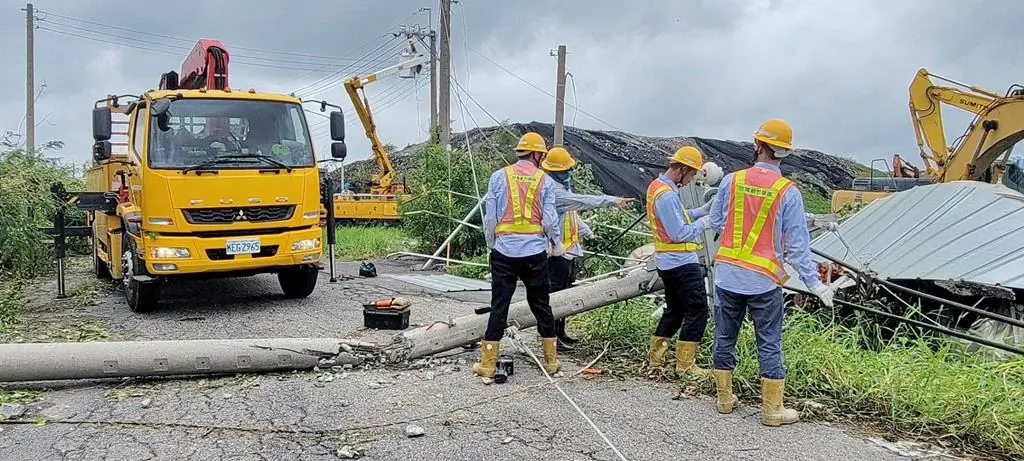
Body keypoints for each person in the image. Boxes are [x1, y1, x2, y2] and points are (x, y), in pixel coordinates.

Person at [706, 118, 835, 426]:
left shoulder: (731, 181)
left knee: (724, 336)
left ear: (758, 145)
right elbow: (797, 248)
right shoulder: (787, 192)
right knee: (769, 341)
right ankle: (772, 412)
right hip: (763, 281)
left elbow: (715, 220)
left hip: (727, 274)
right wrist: (815, 285)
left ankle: (724, 400)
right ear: (784, 154)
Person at [474, 132, 563, 379]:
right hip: (534, 252)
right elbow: (549, 219)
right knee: (541, 305)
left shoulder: (498, 176)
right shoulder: (545, 181)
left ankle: (488, 365)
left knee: (499, 305)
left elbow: (490, 216)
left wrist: (492, 243)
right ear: (537, 154)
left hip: (504, 251)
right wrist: (556, 243)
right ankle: (551, 361)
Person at [540, 146, 633, 351]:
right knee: (556, 296)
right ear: (557, 172)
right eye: (566, 170)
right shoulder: (554, 191)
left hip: (569, 250)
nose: (569, 173)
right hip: (556, 253)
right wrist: (610, 201)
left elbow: (572, 214)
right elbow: (582, 202)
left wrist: (587, 231)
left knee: (566, 294)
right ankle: (552, 338)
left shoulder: (564, 189)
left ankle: (561, 333)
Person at [644, 146, 715, 377]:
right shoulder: (666, 196)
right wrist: (705, 222)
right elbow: (679, 232)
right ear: (683, 169)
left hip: (668, 262)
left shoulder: (659, 188)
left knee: (674, 310)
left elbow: (678, 217)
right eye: (692, 173)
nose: (693, 178)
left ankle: (656, 359)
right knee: (697, 310)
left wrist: (700, 211)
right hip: (682, 263)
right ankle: (685, 365)